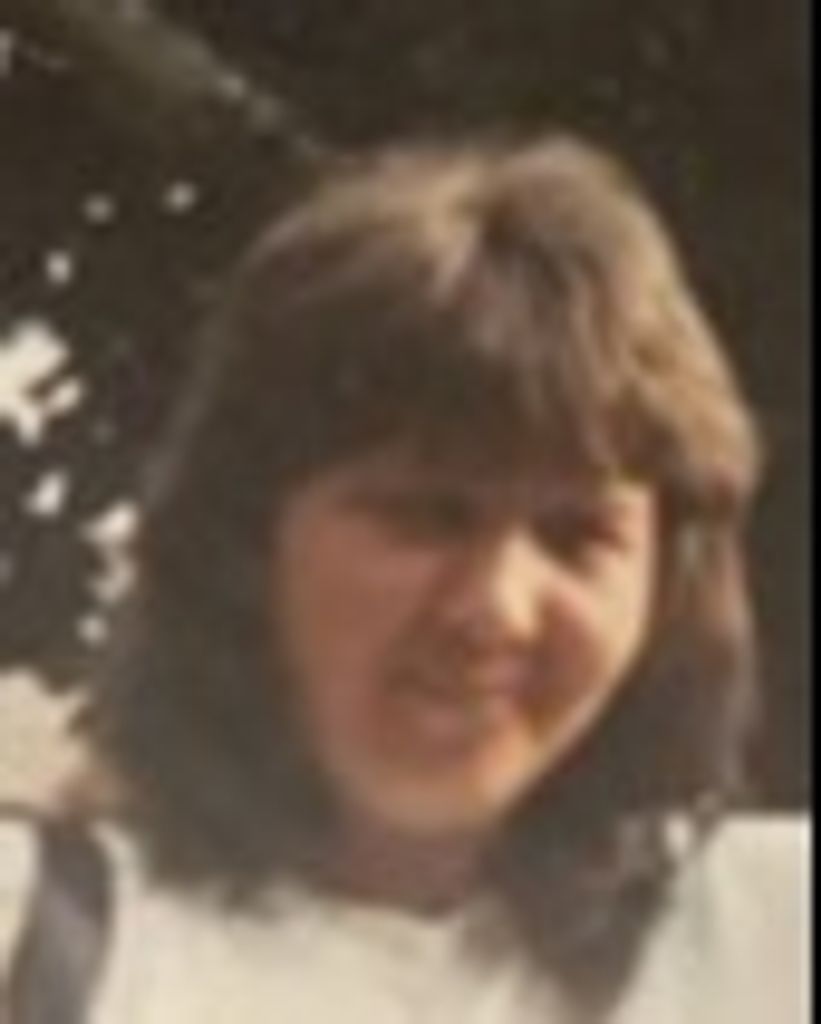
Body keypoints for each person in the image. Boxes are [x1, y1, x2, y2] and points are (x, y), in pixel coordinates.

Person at [0, 134, 809, 1022]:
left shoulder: (768, 939)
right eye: (426, 517)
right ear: (247, 541)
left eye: (575, 536)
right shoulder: (44, 938)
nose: (493, 608)